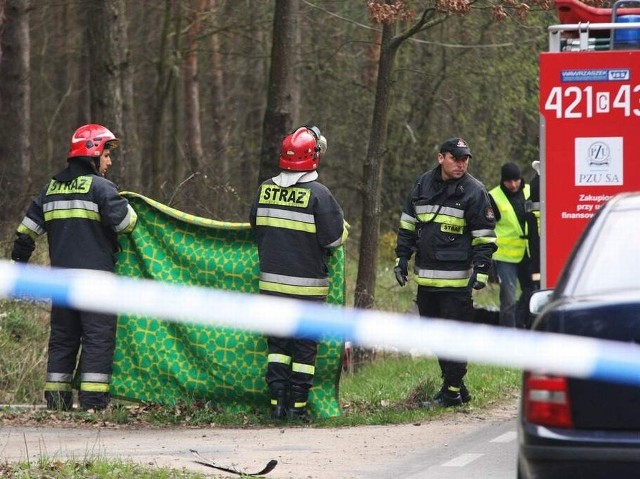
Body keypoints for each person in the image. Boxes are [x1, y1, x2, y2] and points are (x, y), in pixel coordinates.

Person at [11, 123, 138, 411]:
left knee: (63, 340)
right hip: (96, 282)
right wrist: (126, 205)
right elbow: (126, 224)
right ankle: (92, 404)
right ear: (93, 154)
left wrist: (19, 267)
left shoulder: (49, 189)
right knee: (97, 339)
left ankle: (56, 403)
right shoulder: (101, 188)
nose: (110, 161)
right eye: (107, 155)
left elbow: (25, 233)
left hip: (60, 283)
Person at [249, 125, 347, 421]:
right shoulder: (319, 195)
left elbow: (256, 227)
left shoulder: (265, 189)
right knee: (304, 350)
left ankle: (276, 406)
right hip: (307, 290)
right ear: (312, 158)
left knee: (277, 347)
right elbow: (333, 239)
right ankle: (298, 409)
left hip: (272, 287)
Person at [393, 137, 497, 407]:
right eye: (456, 158)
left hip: (457, 281)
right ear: (441, 158)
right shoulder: (422, 185)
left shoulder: (475, 191)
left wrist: (482, 270)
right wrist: (401, 257)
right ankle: (456, 385)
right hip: (426, 280)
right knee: (434, 336)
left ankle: (450, 392)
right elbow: (408, 224)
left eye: (465, 159)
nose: (461, 164)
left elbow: (485, 237)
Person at [488, 162, 535, 329]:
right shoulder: (493, 197)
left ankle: (523, 324)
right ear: (503, 181)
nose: (513, 185)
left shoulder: (532, 190)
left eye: (516, 180)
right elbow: (486, 227)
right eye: (509, 181)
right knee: (508, 299)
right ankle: (508, 335)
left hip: (528, 253)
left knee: (533, 292)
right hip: (505, 257)